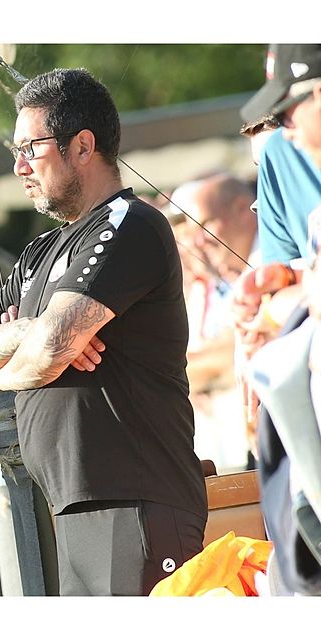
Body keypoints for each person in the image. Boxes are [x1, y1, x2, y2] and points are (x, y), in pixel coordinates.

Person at [0, 68, 208, 596]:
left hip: (135, 501)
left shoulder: (129, 224)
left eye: (31, 147)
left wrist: (20, 357)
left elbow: (47, 354)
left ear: (82, 146)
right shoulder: (38, 253)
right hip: (73, 503)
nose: (18, 164)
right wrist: (32, 331)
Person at [237, 42, 321, 595]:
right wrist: (281, 289)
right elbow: (281, 289)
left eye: (290, 109)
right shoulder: (281, 155)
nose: (283, 129)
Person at [175, 174, 259, 471]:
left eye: (205, 224)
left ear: (242, 209)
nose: (197, 241)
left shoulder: (268, 264)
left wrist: (169, 376)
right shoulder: (222, 280)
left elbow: (233, 353)